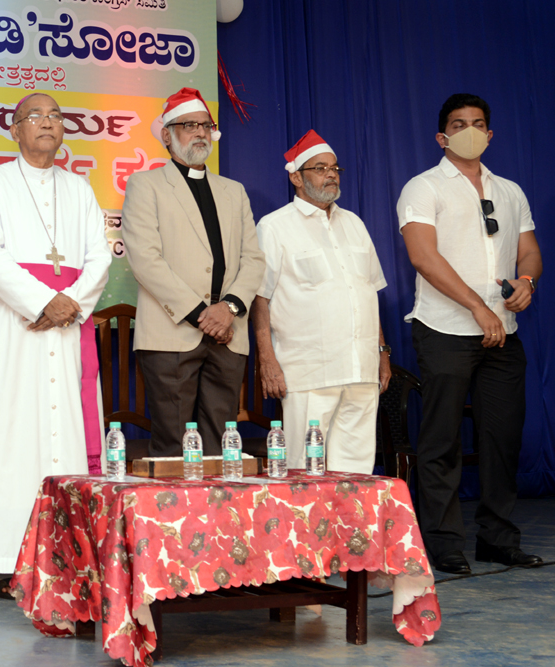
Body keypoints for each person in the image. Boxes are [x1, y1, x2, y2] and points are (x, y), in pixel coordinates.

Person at [0, 93, 110, 597]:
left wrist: (71, 303)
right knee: (11, 440)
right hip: (14, 327)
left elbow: (99, 257)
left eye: (55, 116)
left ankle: (69, 558)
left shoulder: (79, 188)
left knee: (66, 439)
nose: (47, 123)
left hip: (68, 326)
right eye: (35, 116)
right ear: (15, 129)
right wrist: (44, 301)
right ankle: (7, 560)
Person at [397, 93, 543, 574]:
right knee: (441, 440)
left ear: (491, 134)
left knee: (503, 438)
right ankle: (443, 542)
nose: (470, 131)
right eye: (459, 125)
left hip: (504, 331)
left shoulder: (510, 191)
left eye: (478, 123)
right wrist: (478, 307)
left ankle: (497, 538)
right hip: (445, 329)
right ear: (442, 137)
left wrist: (527, 281)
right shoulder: (423, 187)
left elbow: (529, 251)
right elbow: (423, 256)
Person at [121, 87, 265, 456]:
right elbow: (145, 259)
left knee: (220, 448)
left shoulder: (234, 191)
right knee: (174, 448)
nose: (200, 132)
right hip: (171, 334)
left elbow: (253, 259)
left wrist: (228, 309)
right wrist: (203, 315)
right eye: (189, 125)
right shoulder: (145, 184)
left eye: (205, 126)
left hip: (228, 334)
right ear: (167, 135)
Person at [251, 130, 391, 474]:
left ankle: (350, 514)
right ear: (296, 178)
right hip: (308, 370)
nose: (331, 175)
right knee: (304, 469)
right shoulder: (275, 226)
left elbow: (367, 293)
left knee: (356, 470)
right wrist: (267, 360)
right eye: (320, 168)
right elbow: (260, 298)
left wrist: (381, 353)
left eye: (335, 168)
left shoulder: (354, 224)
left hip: (360, 369)